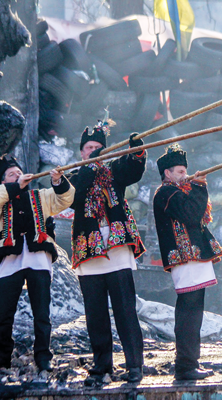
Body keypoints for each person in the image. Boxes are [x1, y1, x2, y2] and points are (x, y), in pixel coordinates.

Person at [69, 122, 146, 382]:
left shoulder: (114, 171)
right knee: (95, 313)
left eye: (99, 148)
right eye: (89, 148)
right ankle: (102, 366)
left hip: (117, 248)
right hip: (89, 251)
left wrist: (136, 151)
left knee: (126, 309)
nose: (93, 152)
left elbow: (132, 170)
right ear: (82, 152)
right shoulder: (74, 175)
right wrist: (90, 165)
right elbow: (75, 198)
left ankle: (135, 365)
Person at [0, 155, 75, 372]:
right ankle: (2, 354)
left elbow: (64, 200)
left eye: (18, 172)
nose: (17, 175)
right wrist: (16, 185)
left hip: (38, 257)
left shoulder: (40, 196)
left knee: (41, 311)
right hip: (11, 258)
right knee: (3, 310)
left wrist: (57, 182)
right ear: (3, 181)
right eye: (11, 174)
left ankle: (43, 356)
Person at [153, 144, 222, 381]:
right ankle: (185, 366)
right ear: (167, 173)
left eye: (186, 171)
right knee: (188, 312)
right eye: (180, 171)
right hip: (185, 258)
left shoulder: (179, 190)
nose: (186, 175)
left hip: (193, 258)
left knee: (194, 311)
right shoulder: (166, 193)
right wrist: (199, 185)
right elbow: (192, 214)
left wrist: (194, 185)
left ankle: (190, 362)